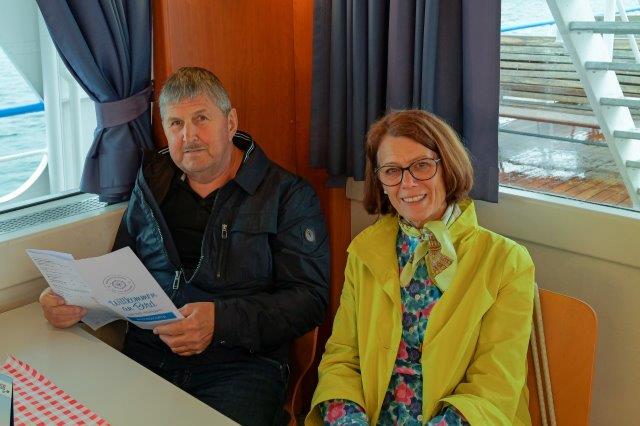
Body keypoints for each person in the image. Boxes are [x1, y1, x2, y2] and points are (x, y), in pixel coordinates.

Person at [39, 67, 330, 426]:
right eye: (176, 124)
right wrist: (72, 297)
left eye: (201, 119)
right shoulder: (152, 179)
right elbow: (120, 268)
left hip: (241, 365)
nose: (188, 136)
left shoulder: (288, 195)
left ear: (230, 122)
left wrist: (220, 321)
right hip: (149, 354)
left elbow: (309, 300)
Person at [307, 110, 535, 425]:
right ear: (381, 182)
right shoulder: (365, 251)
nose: (408, 183)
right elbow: (342, 359)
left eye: (422, 165)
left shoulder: (507, 261)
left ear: (448, 167)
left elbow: (495, 386)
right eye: (391, 171)